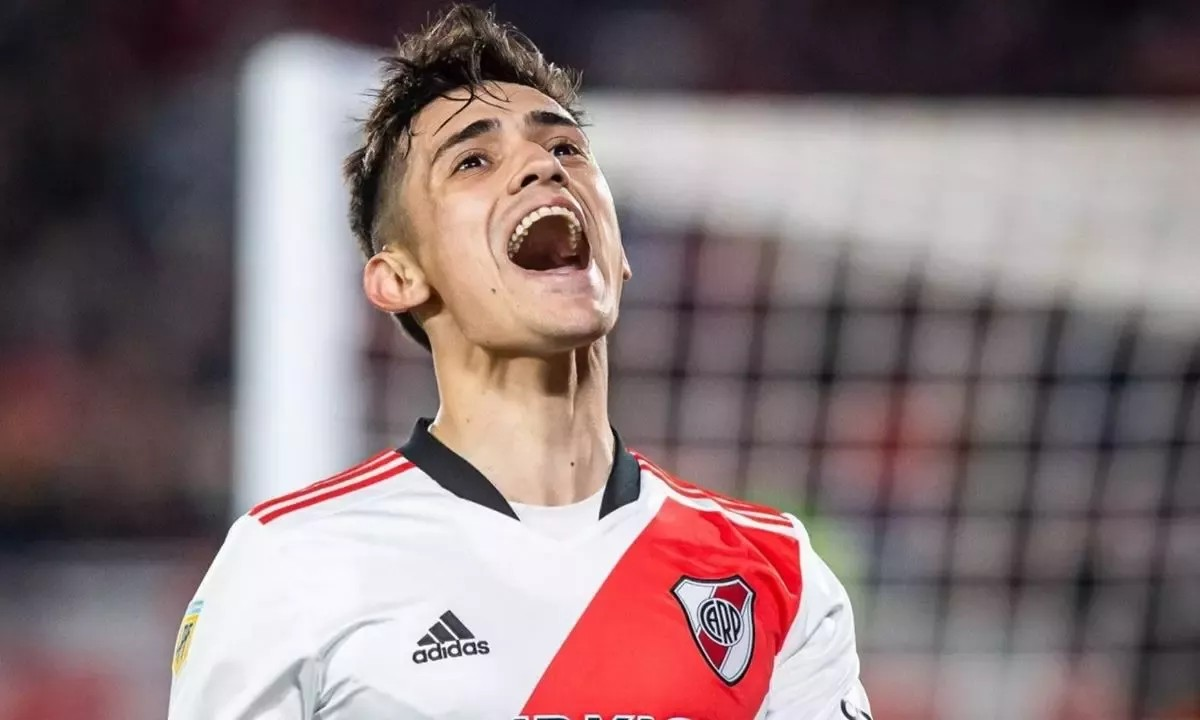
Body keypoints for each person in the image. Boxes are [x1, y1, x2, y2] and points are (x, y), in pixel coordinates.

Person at [167, 5, 872, 719]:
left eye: (566, 148)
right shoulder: (290, 563)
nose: (542, 166)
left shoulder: (776, 573)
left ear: (620, 251)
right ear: (399, 278)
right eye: (473, 160)